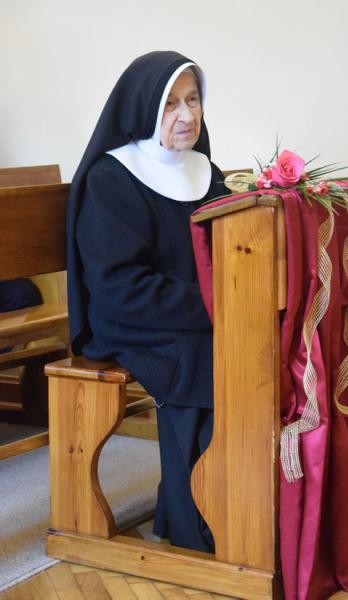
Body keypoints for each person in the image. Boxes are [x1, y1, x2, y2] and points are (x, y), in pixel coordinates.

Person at [67, 51, 228, 552]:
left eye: (193, 100)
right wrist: (217, 307)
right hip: (129, 318)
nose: (186, 115)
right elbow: (119, 287)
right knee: (202, 356)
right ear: (144, 108)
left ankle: (239, 504)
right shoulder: (111, 178)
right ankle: (197, 522)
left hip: (192, 312)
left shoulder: (206, 171)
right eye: (170, 104)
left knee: (252, 345)